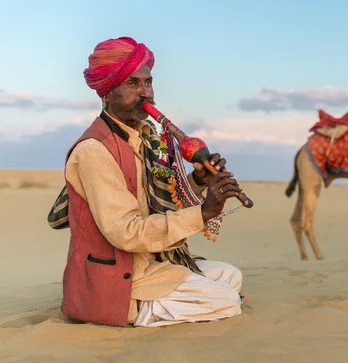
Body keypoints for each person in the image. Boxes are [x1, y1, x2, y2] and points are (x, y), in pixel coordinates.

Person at [47, 36, 245, 327]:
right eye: (132, 84)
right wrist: (203, 213)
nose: (146, 94)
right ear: (107, 93)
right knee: (226, 299)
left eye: (148, 83)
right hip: (121, 276)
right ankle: (138, 313)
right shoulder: (94, 150)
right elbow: (126, 232)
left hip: (151, 262)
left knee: (230, 276)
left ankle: (170, 301)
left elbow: (159, 197)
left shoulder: (146, 137)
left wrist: (198, 181)